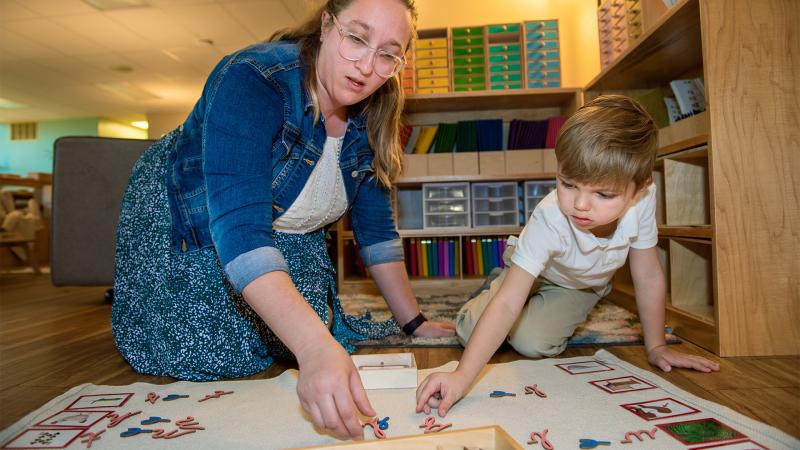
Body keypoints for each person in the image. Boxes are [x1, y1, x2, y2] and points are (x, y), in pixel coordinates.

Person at [111, 0, 454, 439]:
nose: (368, 66)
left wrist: (414, 323)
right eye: (356, 38)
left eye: (388, 53)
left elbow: (376, 233)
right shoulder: (253, 77)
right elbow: (241, 227)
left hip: (282, 222)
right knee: (213, 351)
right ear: (327, 25)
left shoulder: (373, 111)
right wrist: (314, 349)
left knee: (305, 333)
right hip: (187, 209)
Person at [415, 95, 720, 417]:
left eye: (603, 194)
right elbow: (507, 304)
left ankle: (526, 296)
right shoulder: (550, 218)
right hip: (537, 269)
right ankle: (500, 278)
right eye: (568, 184)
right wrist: (462, 376)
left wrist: (656, 346)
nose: (581, 205)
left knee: (532, 344)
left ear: (640, 189)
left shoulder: (643, 201)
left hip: (581, 285)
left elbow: (647, 274)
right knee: (471, 330)